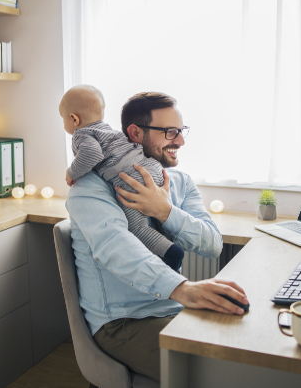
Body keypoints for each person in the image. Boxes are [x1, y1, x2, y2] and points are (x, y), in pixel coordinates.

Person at [66, 91, 248, 382]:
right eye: (170, 132)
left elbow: (213, 244)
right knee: (224, 373)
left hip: (173, 308)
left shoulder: (180, 182)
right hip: (123, 323)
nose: (180, 141)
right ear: (135, 133)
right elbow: (116, 247)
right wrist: (184, 289)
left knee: (251, 346)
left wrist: (165, 211)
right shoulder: (91, 186)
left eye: (181, 131)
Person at [59, 85, 184, 271]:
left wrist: (71, 172)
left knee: (137, 227)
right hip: (152, 168)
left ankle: (172, 254)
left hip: (133, 177)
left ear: (74, 119)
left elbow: (92, 155)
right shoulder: (108, 130)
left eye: (63, 120)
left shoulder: (82, 134)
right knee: (158, 216)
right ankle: (169, 242)